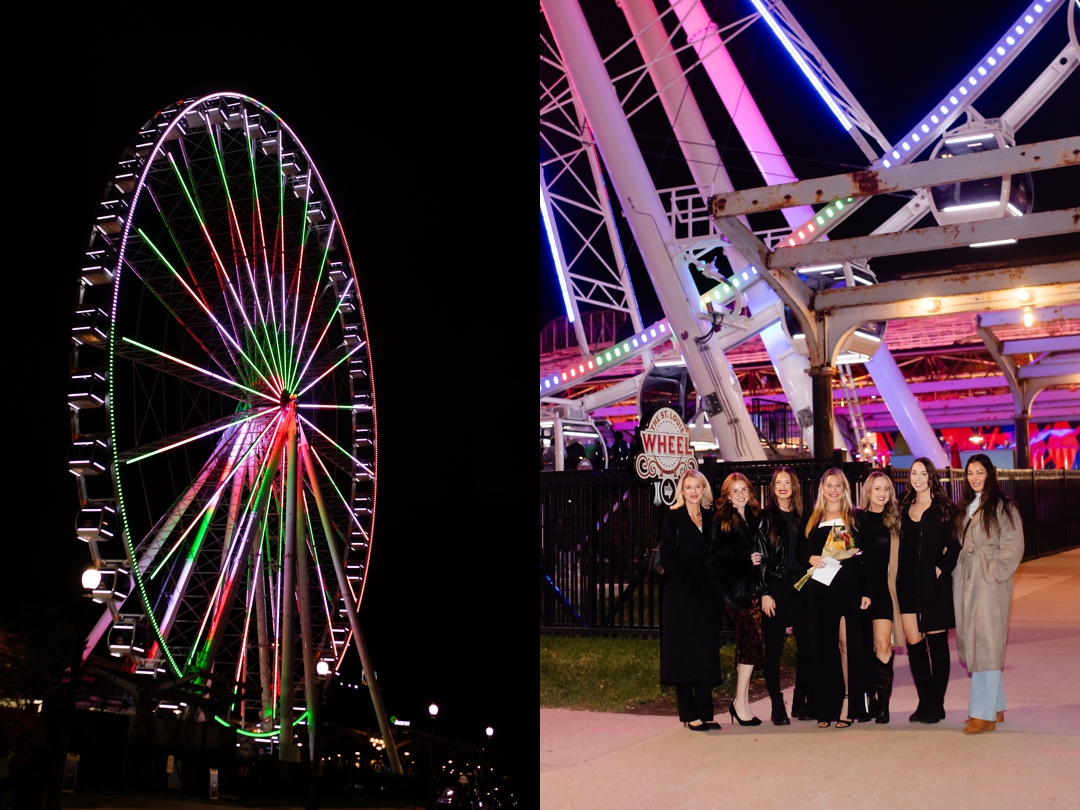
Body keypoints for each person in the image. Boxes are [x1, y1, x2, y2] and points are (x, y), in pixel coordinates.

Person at [953, 454, 1024, 734]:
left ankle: (983, 715)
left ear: (990, 474)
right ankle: (995, 705)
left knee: (987, 641)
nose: (974, 477)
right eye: (970, 472)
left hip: (988, 581)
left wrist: (994, 572)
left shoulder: (1003, 507)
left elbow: (1013, 544)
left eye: (979, 472)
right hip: (968, 579)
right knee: (979, 639)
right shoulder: (967, 505)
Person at [798, 468, 872, 728]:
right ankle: (825, 705)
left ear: (844, 489)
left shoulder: (855, 517)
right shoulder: (811, 516)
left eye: (838, 485)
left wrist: (866, 591)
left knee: (846, 643)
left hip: (849, 587)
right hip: (821, 588)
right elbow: (799, 549)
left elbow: (864, 557)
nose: (833, 490)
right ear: (823, 488)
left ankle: (848, 703)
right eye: (829, 485)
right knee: (824, 646)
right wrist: (810, 557)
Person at [897, 458, 961, 724]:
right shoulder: (901, 508)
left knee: (937, 644)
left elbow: (955, 548)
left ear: (931, 477)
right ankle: (924, 700)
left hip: (934, 586)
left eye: (923, 473)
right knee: (915, 645)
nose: (918, 478)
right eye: (914, 473)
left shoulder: (946, 510)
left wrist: (939, 570)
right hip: (907, 585)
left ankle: (937, 702)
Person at [659, 470, 723, 731]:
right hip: (681, 594)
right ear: (682, 491)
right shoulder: (673, 517)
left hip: (707, 594)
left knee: (705, 651)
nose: (694, 491)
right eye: (689, 487)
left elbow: (719, 553)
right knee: (683, 653)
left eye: (698, 486)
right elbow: (668, 558)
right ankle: (689, 713)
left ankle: (706, 712)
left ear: (704, 490)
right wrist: (688, 584)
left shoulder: (711, 518)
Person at [709, 472, 765, 726]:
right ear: (727, 496)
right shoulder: (723, 520)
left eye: (744, 490)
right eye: (735, 491)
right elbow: (715, 560)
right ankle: (738, 703)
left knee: (749, 642)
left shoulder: (753, 517)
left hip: (752, 589)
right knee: (751, 641)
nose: (740, 494)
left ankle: (741, 702)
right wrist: (744, 561)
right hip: (736, 592)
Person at [758, 466, 808, 724]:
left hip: (801, 586)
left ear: (794, 486)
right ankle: (777, 705)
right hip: (775, 587)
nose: (783, 486)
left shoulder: (802, 516)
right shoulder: (766, 517)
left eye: (787, 482)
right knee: (774, 649)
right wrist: (764, 592)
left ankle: (800, 703)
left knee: (806, 646)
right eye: (778, 482)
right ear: (773, 486)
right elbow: (762, 559)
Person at [855, 471, 904, 723]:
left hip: (883, 592)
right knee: (863, 649)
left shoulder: (894, 521)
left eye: (886, 489)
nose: (882, 493)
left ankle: (883, 705)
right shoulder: (856, 518)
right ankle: (869, 700)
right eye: (877, 489)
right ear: (868, 492)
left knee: (883, 645)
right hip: (859, 591)